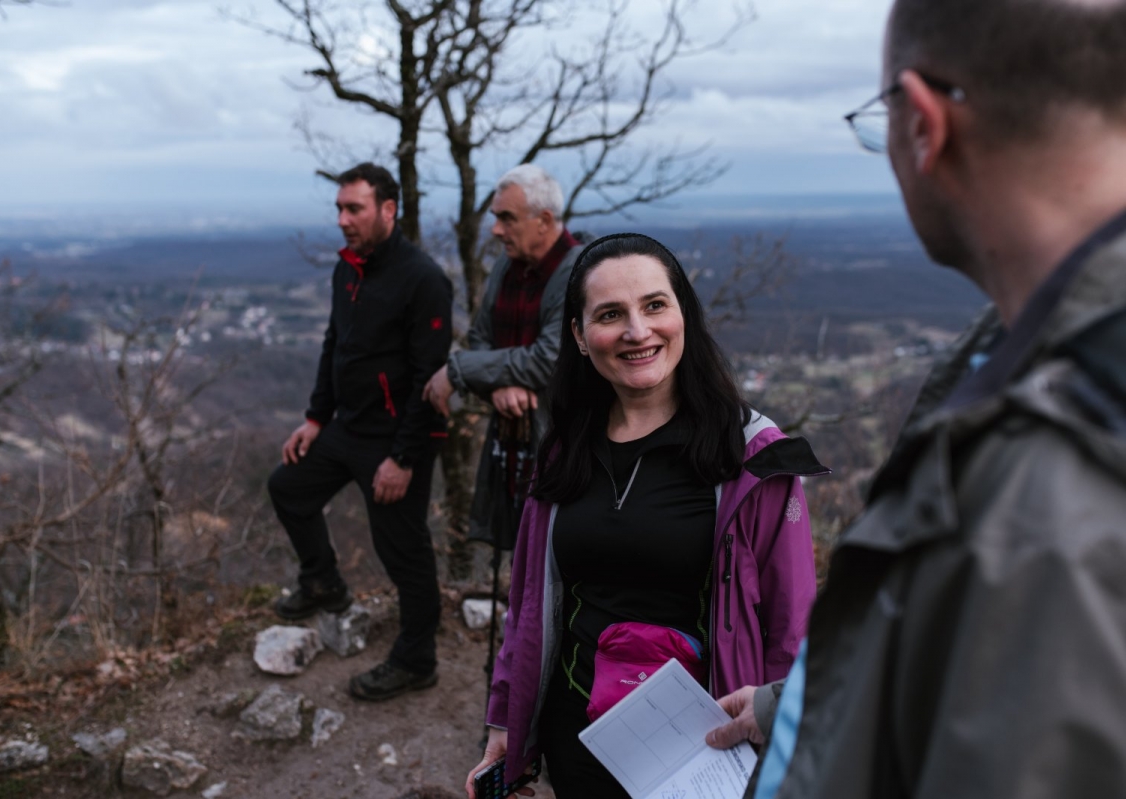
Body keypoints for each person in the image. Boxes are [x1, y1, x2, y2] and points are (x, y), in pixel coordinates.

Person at [707, 2, 1126, 797]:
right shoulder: (1010, 356)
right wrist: (794, 701)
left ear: (924, 123)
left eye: (883, 121)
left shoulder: (1046, 485)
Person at [465, 234, 828, 798]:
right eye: (611, 314)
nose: (638, 331)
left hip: (708, 748)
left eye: (655, 305)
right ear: (581, 338)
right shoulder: (563, 451)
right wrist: (506, 722)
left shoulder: (753, 458)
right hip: (579, 735)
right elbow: (530, 605)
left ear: (684, 315)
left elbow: (793, 622)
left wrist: (784, 728)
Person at [267, 163, 453, 701]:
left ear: (388, 210)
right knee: (288, 487)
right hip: (348, 426)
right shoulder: (348, 268)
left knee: (403, 551)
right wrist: (315, 418)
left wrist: (404, 458)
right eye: (340, 209)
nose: (344, 220)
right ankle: (322, 580)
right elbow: (336, 345)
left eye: (355, 209)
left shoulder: (423, 279)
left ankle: (417, 659)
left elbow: (430, 379)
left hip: (396, 440)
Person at [422, 164, 584, 543]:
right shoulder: (505, 268)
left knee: (559, 552)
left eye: (507, 219)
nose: (496, 230)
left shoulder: (580, 272)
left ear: (544, 220)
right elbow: (481, 337)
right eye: (496, 218)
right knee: (521, 555)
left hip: (564, 444)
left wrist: (457, 370)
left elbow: (549, 359)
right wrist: (498, 387)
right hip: (512, 443)